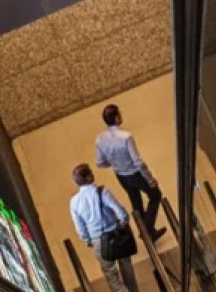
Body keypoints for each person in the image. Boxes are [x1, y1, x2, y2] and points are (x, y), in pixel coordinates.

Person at [96, 104, 167, 241]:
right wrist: (150, 179)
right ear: (116, 118)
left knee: (135, 201)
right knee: (155, 195)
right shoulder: (126, 137)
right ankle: (147, 230)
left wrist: (114, 163)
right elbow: (138, 162)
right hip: (135, 174)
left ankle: (147, 231)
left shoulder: (100, 139)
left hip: (121, 175)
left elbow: (100, 163)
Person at [69, 164, 138, 292]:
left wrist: (88, 240)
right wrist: (123, 221)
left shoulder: (74, 202)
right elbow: (120, 211)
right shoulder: (102, 191)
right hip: (116, 234)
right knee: (126, 265)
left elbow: (80, 228)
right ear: (88, 177)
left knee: (110, 274)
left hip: (97, 240)